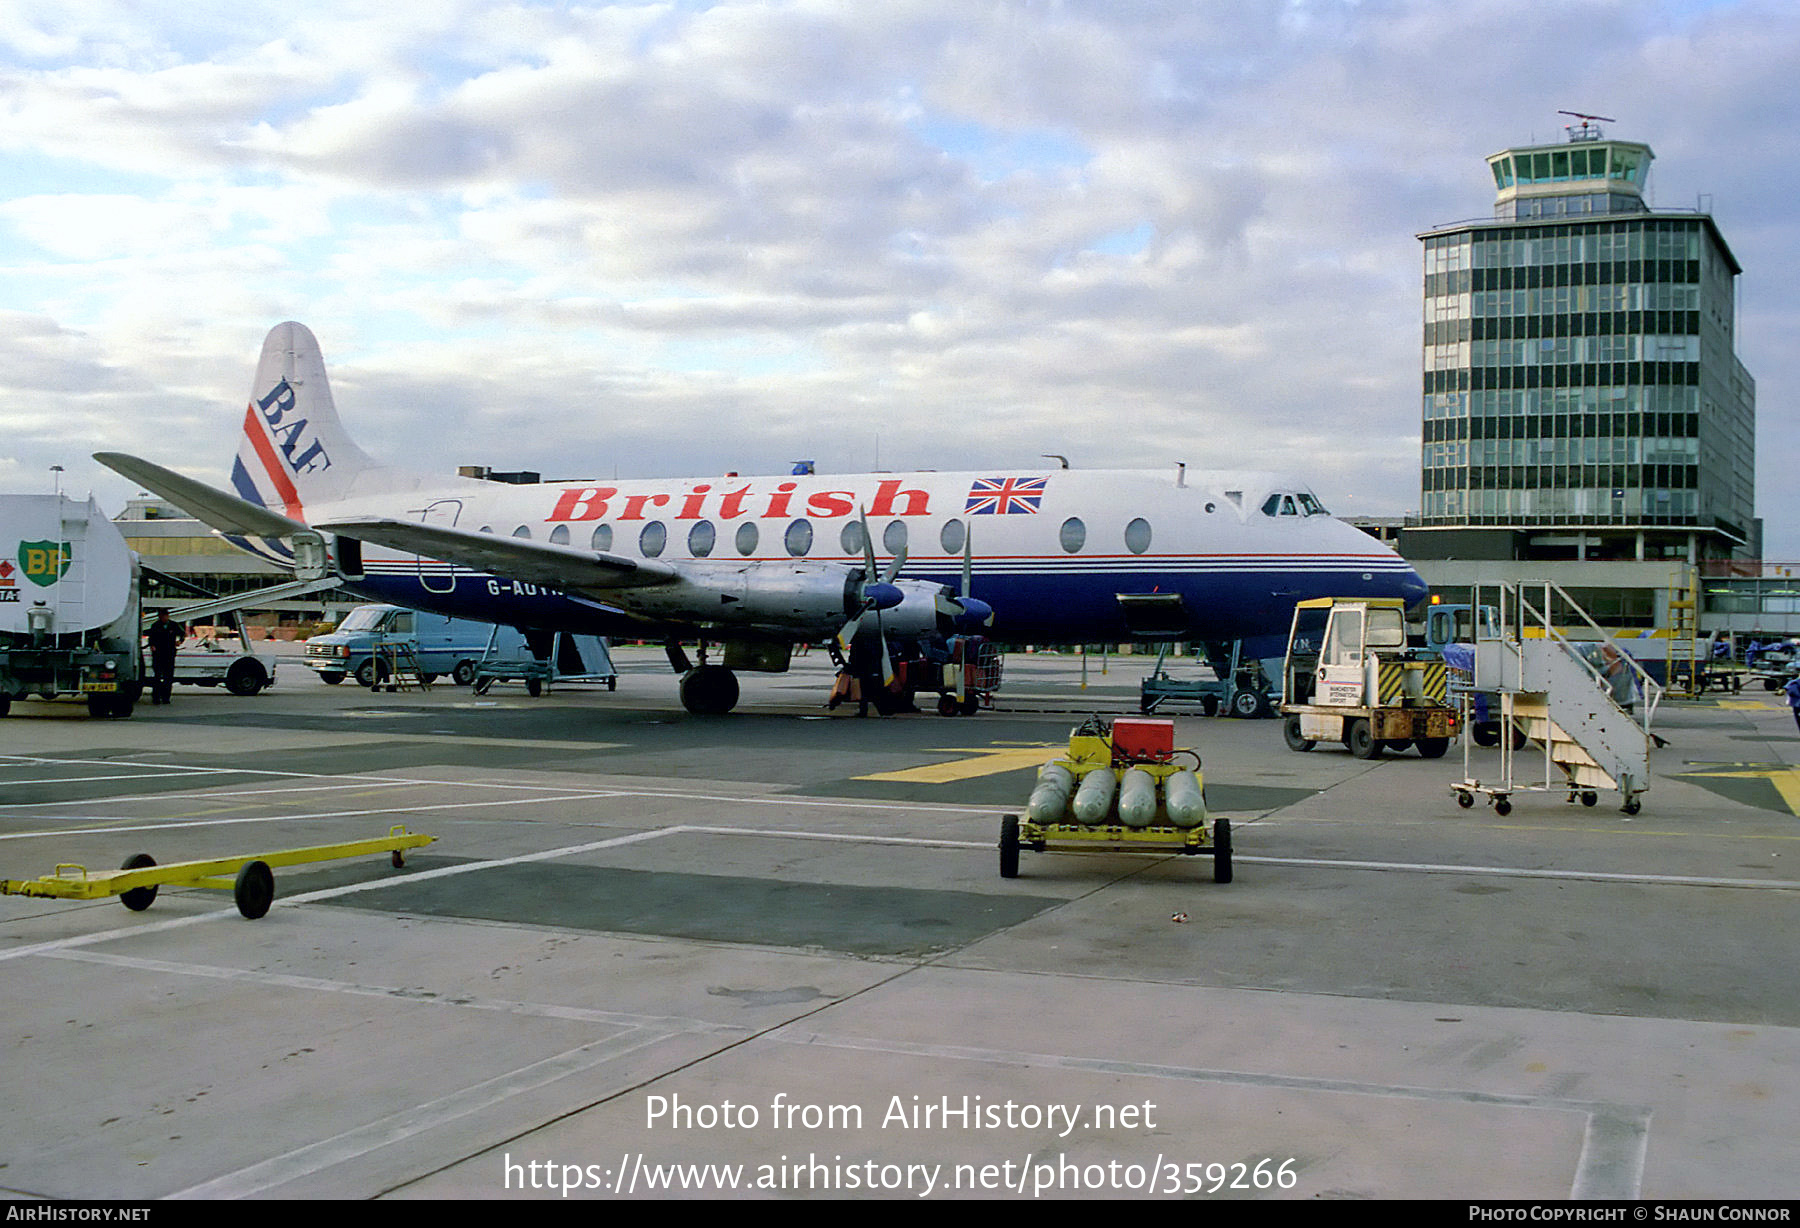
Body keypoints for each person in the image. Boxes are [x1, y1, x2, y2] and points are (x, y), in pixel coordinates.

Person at [145, 610, 184, 705]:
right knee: (157, 676)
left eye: (164, 616)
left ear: (167, 616)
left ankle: (166, 697)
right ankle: (156, 698)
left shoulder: (174, 625)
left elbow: (182, 634)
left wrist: (180, 641)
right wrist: (152, 645)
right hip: (158, 653)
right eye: (161, 616)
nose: (162, 618)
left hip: (169, 653)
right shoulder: (155, 626)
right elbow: (151, 638)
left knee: (168, 677)